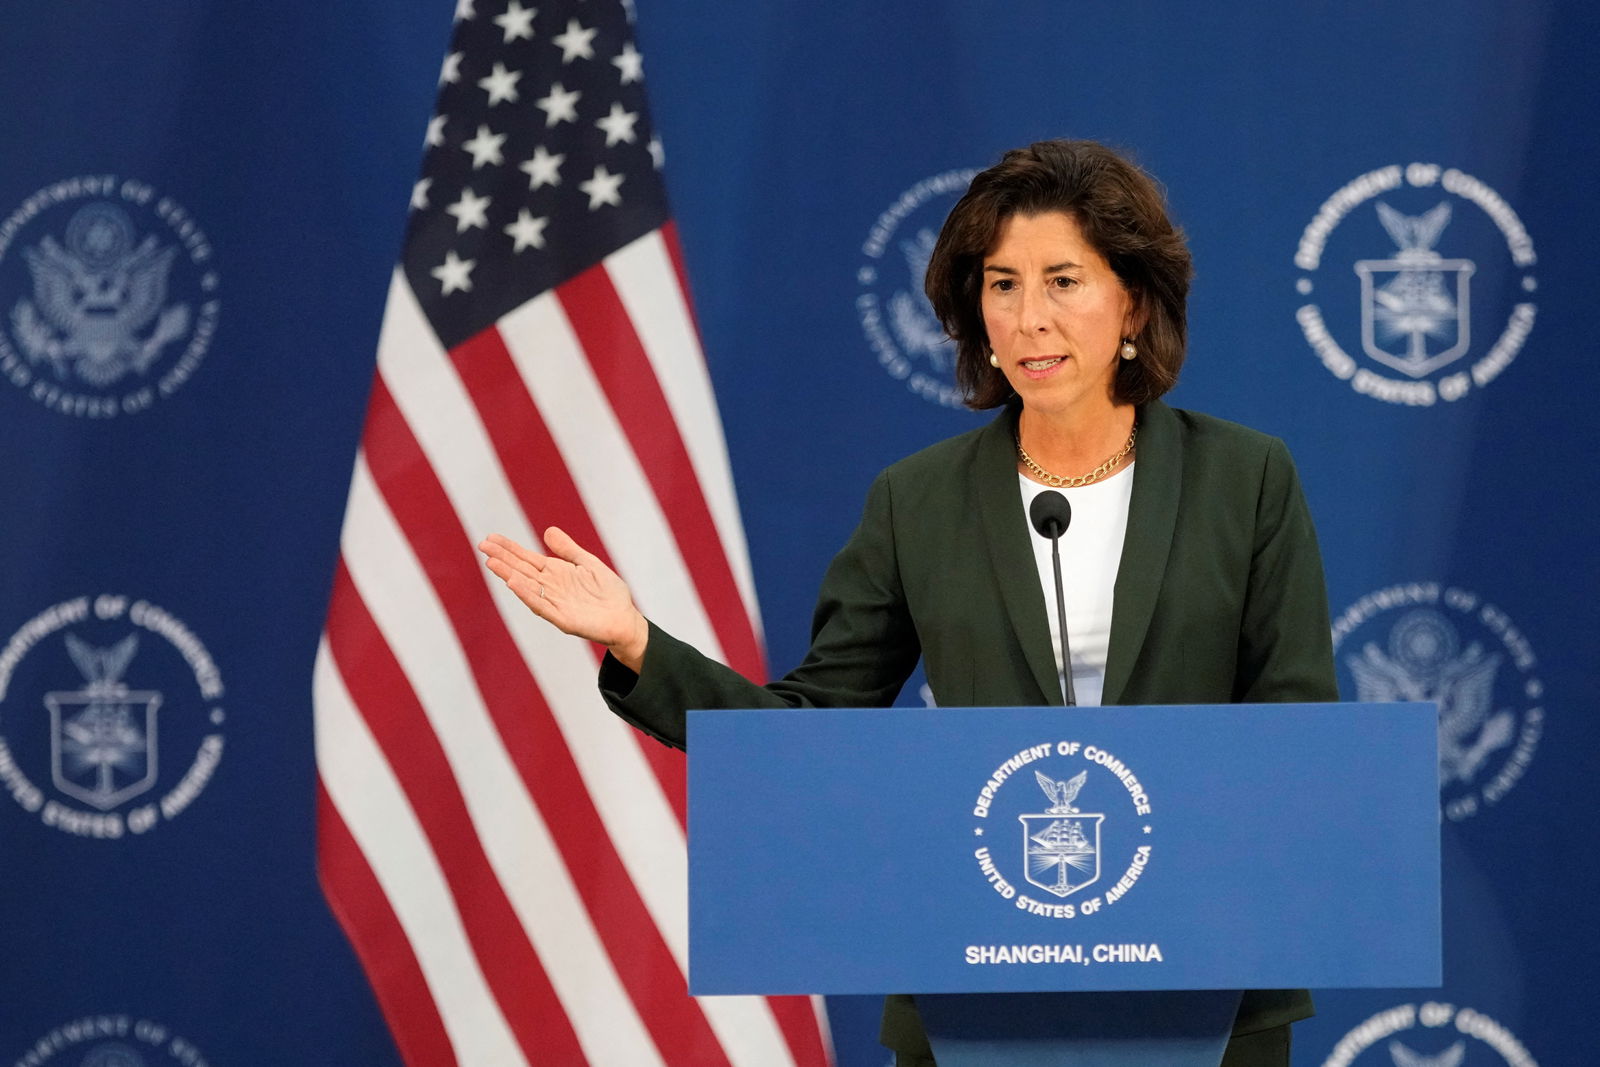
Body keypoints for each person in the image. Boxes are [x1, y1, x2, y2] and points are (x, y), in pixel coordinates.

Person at [480, 139, 1337, 1067]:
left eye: (1063, 281)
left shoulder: (1244, 479)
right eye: (1002, 284)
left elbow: (1294, 735)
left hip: (1202, 983)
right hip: (980, 980)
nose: (1030, 318)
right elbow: (810, 729)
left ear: (1131, 301)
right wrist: (641, 643)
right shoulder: (918, 500)